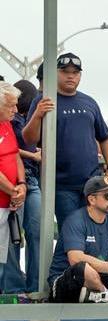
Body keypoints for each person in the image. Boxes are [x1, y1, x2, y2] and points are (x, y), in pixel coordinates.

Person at [22, 53, 108, 230]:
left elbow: (105, 137)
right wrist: (38, 115)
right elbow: (29, 139)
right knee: (71, 231)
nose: (71, 76)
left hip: (93, 183)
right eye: (65, 71)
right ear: (55, 73)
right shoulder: (42, 100)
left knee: (96, 231)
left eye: (75, 72)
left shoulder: (89, 102)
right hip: (61, 185)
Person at [8, 79, 40, 293]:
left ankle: (35, 286)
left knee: (37, 232)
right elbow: (10, 149)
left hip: (30, 179)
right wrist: (34, 155)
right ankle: (14, 288)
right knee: (13, 235)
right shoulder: (9, 120)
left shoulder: (24, 119)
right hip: (13, 181)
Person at [0, 82, 26, 289]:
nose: (16, 110)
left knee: (3, 258)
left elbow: (15, 155)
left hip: (8, 202)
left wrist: (22, 184)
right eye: (11, 105)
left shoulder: (7, 123)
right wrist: (13, 189)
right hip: (5, 198)